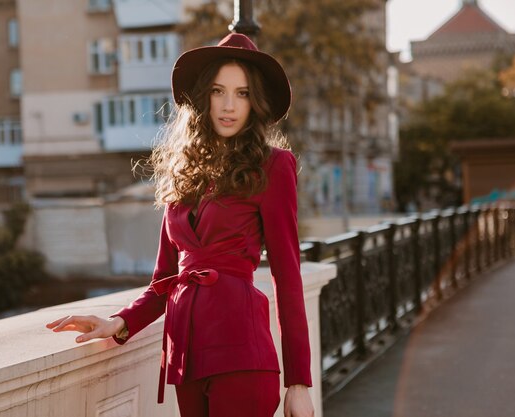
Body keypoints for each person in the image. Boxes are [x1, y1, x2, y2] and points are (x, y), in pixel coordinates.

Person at [46, 33, 315, 417]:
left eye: (241, 93)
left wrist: (298, 383)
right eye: (219, 91)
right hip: (184, 359)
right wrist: (119, 322)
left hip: (242, 356)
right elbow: (164, 280)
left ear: (255, 103)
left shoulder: (273, 166)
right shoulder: (182, 172)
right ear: (203, 97)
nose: (228, 105)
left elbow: (288, 277)